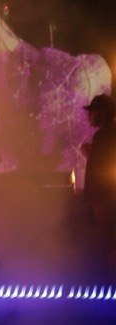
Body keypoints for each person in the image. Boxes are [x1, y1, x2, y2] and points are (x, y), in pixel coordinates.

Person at [82, 93, 116, 274]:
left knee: (108, 242)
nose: (89, 115)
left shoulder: (105, 136)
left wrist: (89, 154)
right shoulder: (107, 135)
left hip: (105, 198)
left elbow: (102, 166)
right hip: (104, 197)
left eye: (92, 111)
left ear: (102, 112)